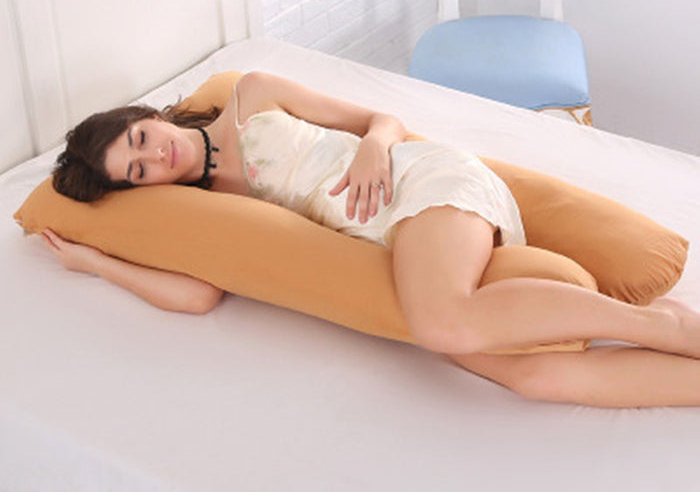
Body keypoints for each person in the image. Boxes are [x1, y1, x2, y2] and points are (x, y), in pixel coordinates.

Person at [43, 71, 700, 408]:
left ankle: (658, 324)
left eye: (140, 139)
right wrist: (95, 262)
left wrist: (373, 150)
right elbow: (196, 295)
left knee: (439, 325)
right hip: (403, 237)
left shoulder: (251, 96)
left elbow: (381, 119)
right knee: (531, 377)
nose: (154, 156)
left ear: (148, 117)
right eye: (138, 171)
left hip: (423, 183)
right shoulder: (213, 205)